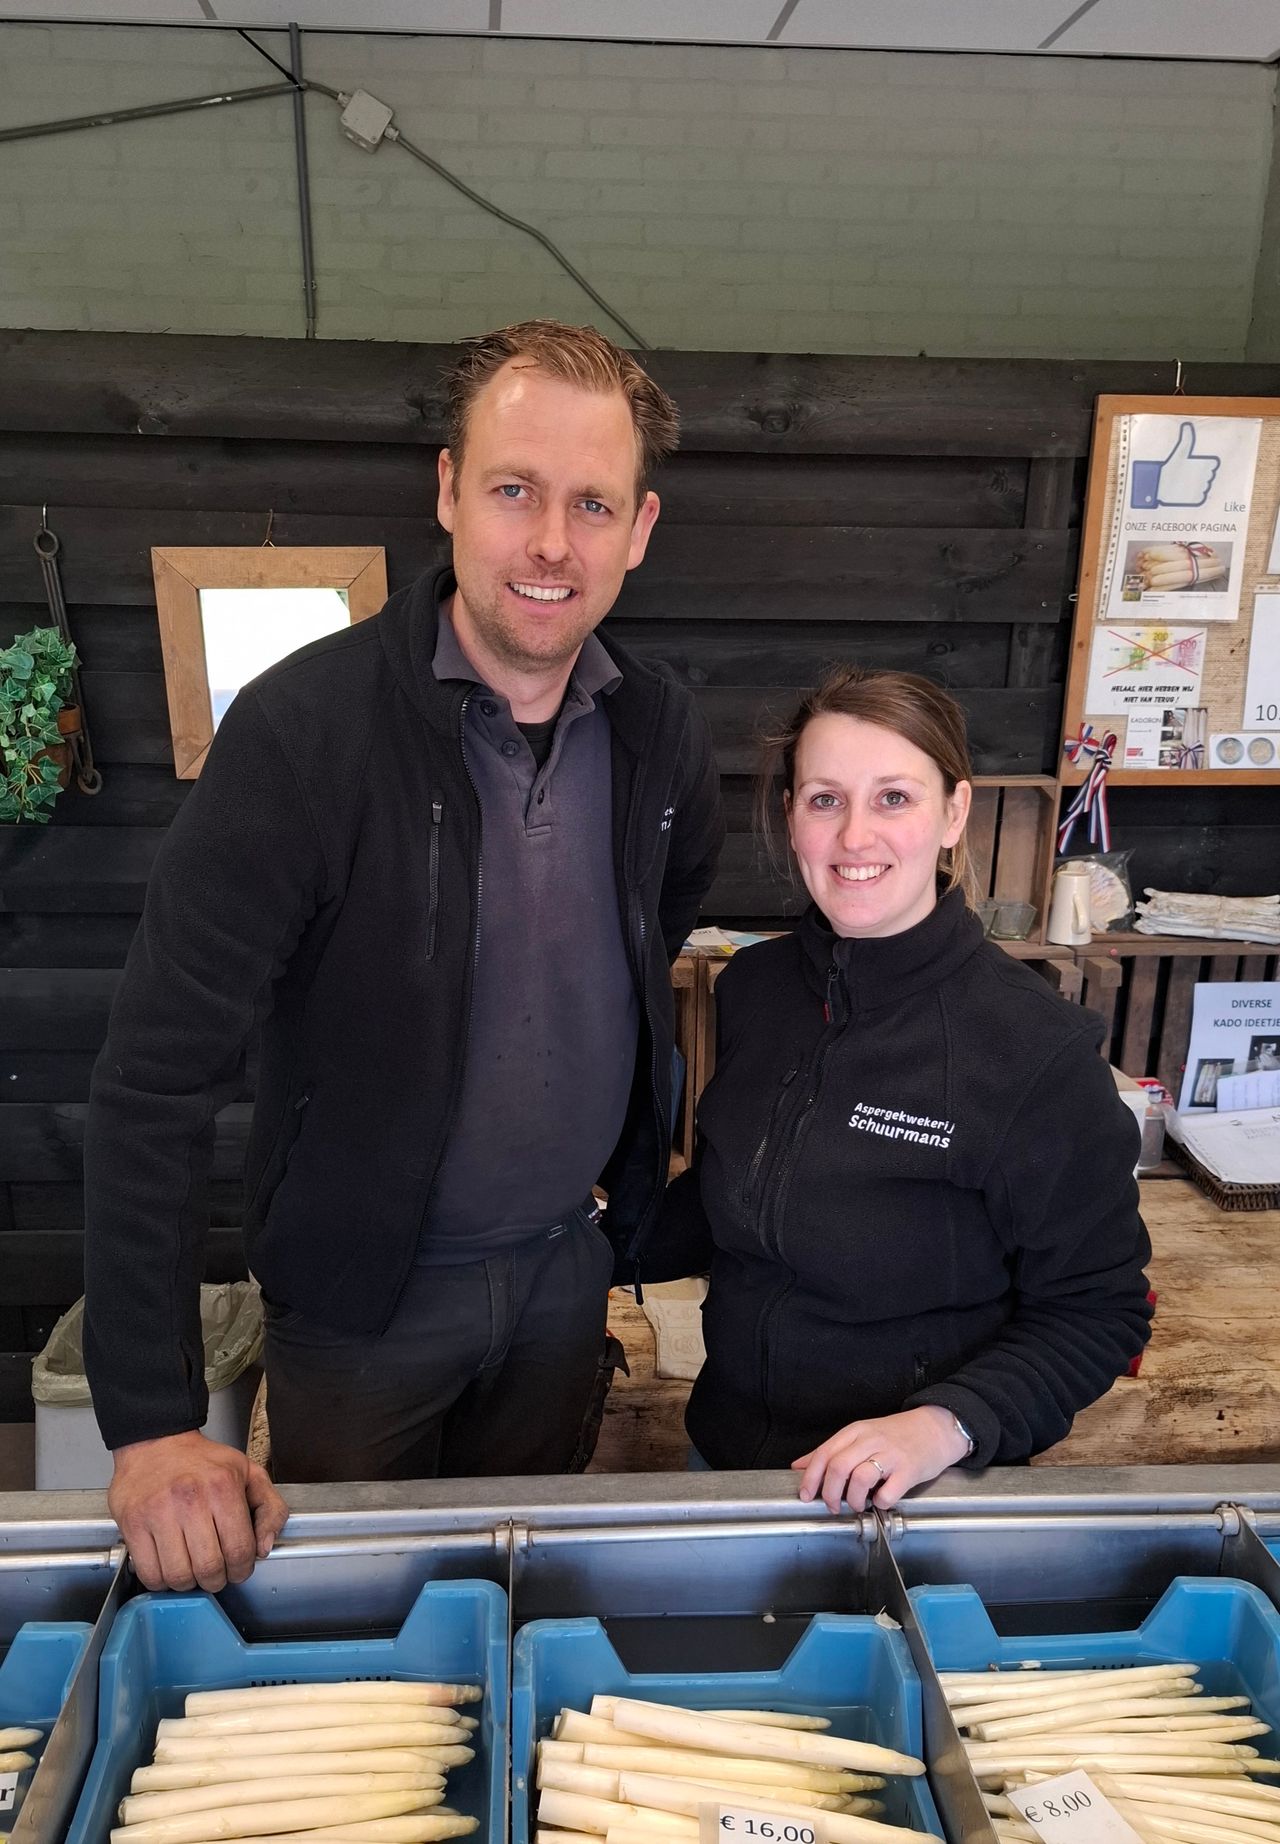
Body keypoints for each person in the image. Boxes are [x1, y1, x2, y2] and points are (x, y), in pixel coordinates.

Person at [83, 319, 725, 1591]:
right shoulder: (301, 734)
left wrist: (609, 1209)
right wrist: (152, 1419)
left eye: (591, 503)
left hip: (562, 1280)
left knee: (515, 1608)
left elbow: (653, 931)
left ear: (638, 528)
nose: (551, 542)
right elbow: (154, 1078)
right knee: (351, 1631)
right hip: (360, 1305)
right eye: (513, 490)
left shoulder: (659, 731)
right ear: (447, 491)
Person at [662, 665, 1152, 1512]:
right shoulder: (754, 989)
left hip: (920, 1492)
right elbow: (730, 1198)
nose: (855, 836)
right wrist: (570, 1244)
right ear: (791, 815)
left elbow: (1099, 1310)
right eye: (826, 799)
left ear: (955, 813)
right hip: (730, 1462)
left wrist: (944, 1424)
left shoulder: (1034, 1049)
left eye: (894, 798)